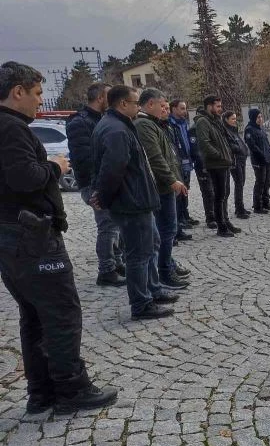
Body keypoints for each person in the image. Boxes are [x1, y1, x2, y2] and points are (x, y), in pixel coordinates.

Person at [0, 61, 118, 413]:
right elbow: (25, 178)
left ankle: (42, 391)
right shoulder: (11, 129)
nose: (40, 101)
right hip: (32, 235)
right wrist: (56, 167)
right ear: (17, 92)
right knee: (62, 312)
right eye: (36, 94)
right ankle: (71, 390)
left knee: (34, 316)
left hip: (14, 235)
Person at [90, 85, 177, 320]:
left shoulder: (118, 125)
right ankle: (142, 304)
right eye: (136, 102)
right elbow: (112, 170)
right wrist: (104, 199)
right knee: (138, 255)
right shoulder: (116, 130)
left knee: (151, 246)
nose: (139, 107)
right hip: (132, 202)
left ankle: (153, 289)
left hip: (138, 200)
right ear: (122, 104)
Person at [65, 81, 126, 287]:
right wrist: (99, 187)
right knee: (107, 226)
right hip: (93, 184)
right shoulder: (79, 122)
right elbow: (84, 158)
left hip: (107, 181)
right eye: (110, 96)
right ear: (101, 97)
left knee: (115, 225)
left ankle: (117, 263)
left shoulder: (103, 119)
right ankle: (106, 270)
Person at [134, 89, 190, 289]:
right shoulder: (144, 125)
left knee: (168, 230)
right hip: (161, 187)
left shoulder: (154, 124)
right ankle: (164, 272)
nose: (164, 109)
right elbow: (155, 158)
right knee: (166, 231)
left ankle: (167, 266)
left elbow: (168, 155)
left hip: (166, 186)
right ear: (150, 104)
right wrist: (172, 180)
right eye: (162, 105)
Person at [195, 95, 238, 237]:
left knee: (224, 194)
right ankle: (221, 226)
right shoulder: (203, 122)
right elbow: (204, 144)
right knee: (219, 196)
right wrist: (221, 155)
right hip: (215, 164)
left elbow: (223, 140)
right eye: (218, 106)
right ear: (209, 106)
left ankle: (225, 221)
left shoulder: (215, 120)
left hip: (223, 163)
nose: (220, 109)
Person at [167, 99, 197, 239]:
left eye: (185, 108)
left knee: (186, 190)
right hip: (178, 162)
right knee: (179, 192)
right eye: (182, 108)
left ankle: (185, 216)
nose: (185, 111)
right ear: (173, 109)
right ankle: (180, 220)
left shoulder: (184, 123)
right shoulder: (170, 124)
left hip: (187, 160)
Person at [244, 108, 270, 214]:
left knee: (267, 181)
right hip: (258, 160)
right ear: (253, 118)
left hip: (267, 160)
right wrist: (263, 156)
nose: (260, 119)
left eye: (261, 116)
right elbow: (252, 146)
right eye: (258, 117)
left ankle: (266, 202)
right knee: (260, 182)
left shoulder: (261, 128)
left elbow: (266, 144)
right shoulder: (249, 129)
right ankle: (258, 205)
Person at [189, 108, 216, 228]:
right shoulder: (193, 129)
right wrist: (204, 163)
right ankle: (210, 217)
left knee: (215, 191)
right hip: (202, 166)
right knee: (208, 192)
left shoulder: (210, 126)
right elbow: (196, 151)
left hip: (213, 164)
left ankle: (217, 214)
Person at [222, 111, 251, 219]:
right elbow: (230, 145)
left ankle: (240, 207)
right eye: (233, 119)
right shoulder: (226, 131)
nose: (235, 121)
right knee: (239, 183)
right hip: (235, 160)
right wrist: (239, 149)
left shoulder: (234, 130)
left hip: (241, 159)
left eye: (235, 119)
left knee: (241, 183)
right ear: (226, 120)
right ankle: (239, 209)